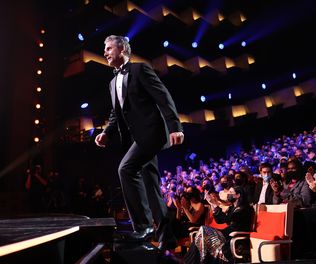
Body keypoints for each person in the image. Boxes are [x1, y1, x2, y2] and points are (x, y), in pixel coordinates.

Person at [95, 35, 184, 250]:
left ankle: (143, 227)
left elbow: (163, 97)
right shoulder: (112, 82)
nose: (105, 52)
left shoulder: (140, 70)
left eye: (108, 48)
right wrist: (107, 132)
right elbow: (116, 113)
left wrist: (175, 127)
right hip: (135, 140)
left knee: (126, 169)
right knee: (152, 186)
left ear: (122, 49)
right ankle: (167, 236)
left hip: (152, 134)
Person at [183, 186, 253, 263]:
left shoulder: (245, 208)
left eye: (230, 192)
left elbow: (228, 218)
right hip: (226, 233)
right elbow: (220, 220)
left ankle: (191, 261)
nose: (228, 194)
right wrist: (212, 204)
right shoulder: (232, 208)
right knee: (201, 235)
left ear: (238, 195)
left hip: (234, 235)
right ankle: (195, 261)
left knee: (203, 230)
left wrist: (215, 205)